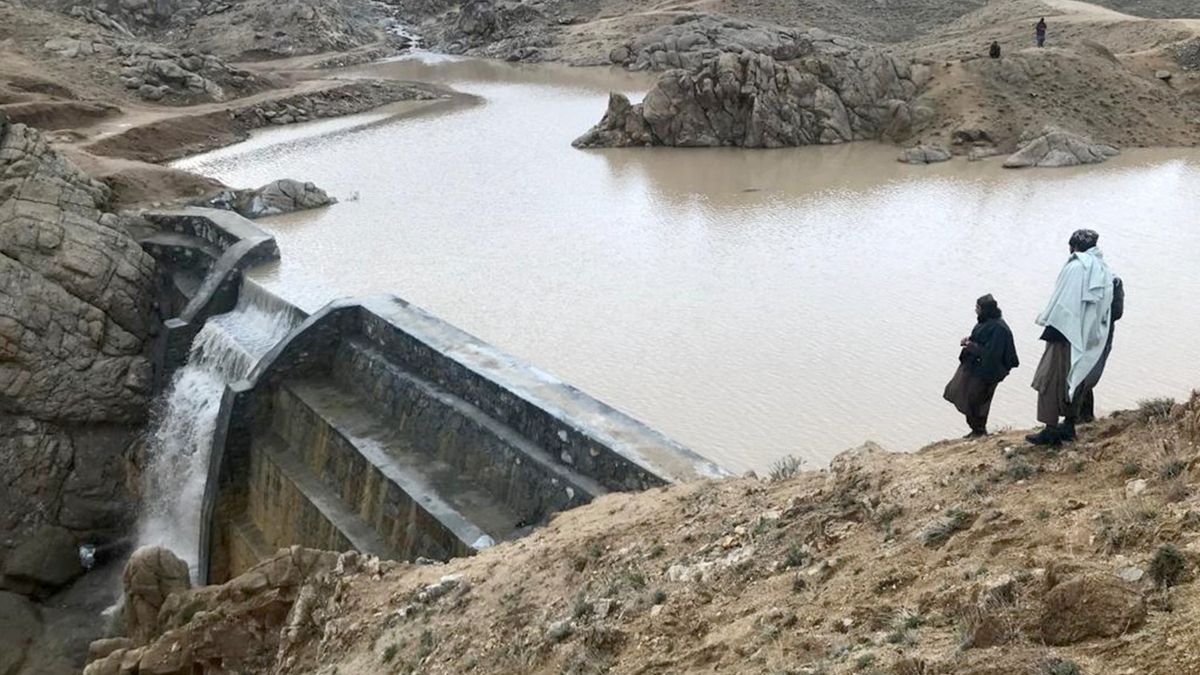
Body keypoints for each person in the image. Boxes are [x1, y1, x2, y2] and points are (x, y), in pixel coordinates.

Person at [1026, 229, 1117, 446]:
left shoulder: (1076, 267)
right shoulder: (1104, 271)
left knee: (1047, 380)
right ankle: (1068, 425)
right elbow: (1111, 311)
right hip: (1089, 338)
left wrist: (1051, 322)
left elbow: (1062, 303)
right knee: (1075, 380)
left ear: (1073, 246)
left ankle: (1049, 429)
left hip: (1063, 334)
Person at [943, 294, 1019, 438]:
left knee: (978, 400)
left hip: (989, 371)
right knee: (965, 395)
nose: (976, 310)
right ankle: (976, 430)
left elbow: (992, 354)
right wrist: (969, 340)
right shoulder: (986, 322)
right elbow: (981, 340)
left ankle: (979, 431)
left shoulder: (999, 328)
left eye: (978, 308)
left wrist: (971, 345)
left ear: (985, 310)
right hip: (976, 367)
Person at [1077, 275, 1124, 422]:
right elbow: (1117, 312)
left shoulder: (1112, 282)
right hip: (1094, 336)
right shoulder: (1112, 281)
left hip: (1096, 337)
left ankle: (1080, 417)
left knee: (1084, 377)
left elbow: (1116, 313)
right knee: (1084, 376)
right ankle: (1083, 416)